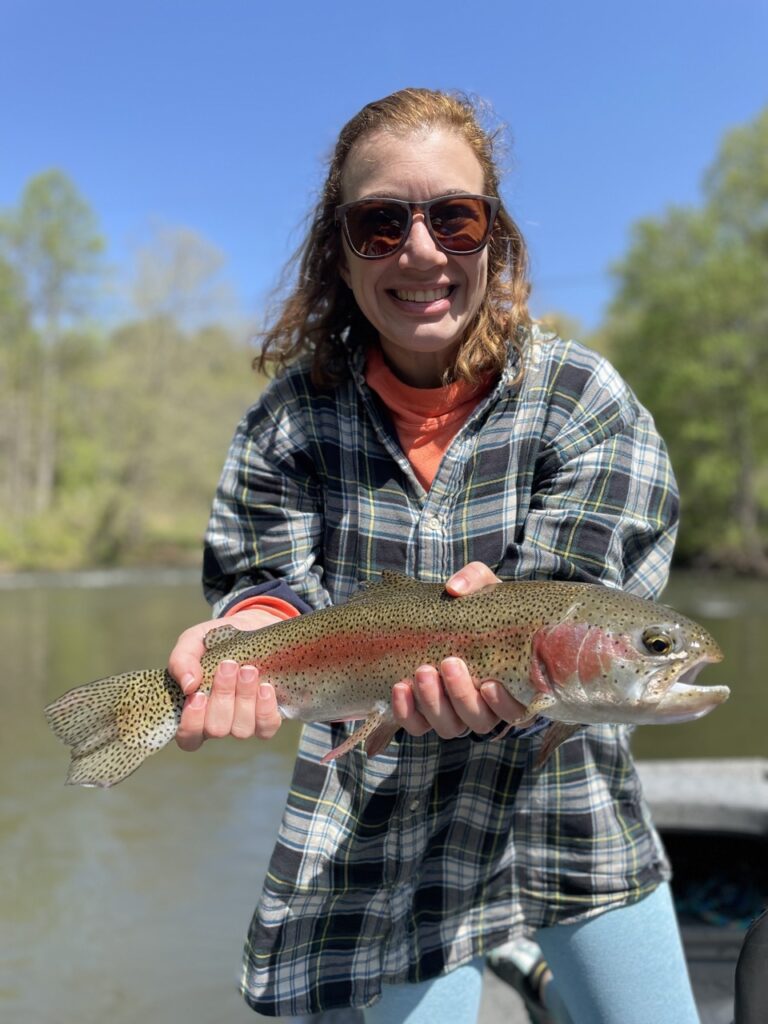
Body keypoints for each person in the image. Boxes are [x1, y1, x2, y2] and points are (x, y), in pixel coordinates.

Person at [168, 88, 700, 1024]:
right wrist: (248, 633)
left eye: (455, 218)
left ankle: (529, 961)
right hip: (379, 837)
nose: (421, 251)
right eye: (380, 225)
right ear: (340, 251)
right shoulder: (288, 426)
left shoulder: (581, 398)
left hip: (568, 814)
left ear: (495, 239)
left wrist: (519, 622)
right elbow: (266, 583)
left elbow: (583, 593)